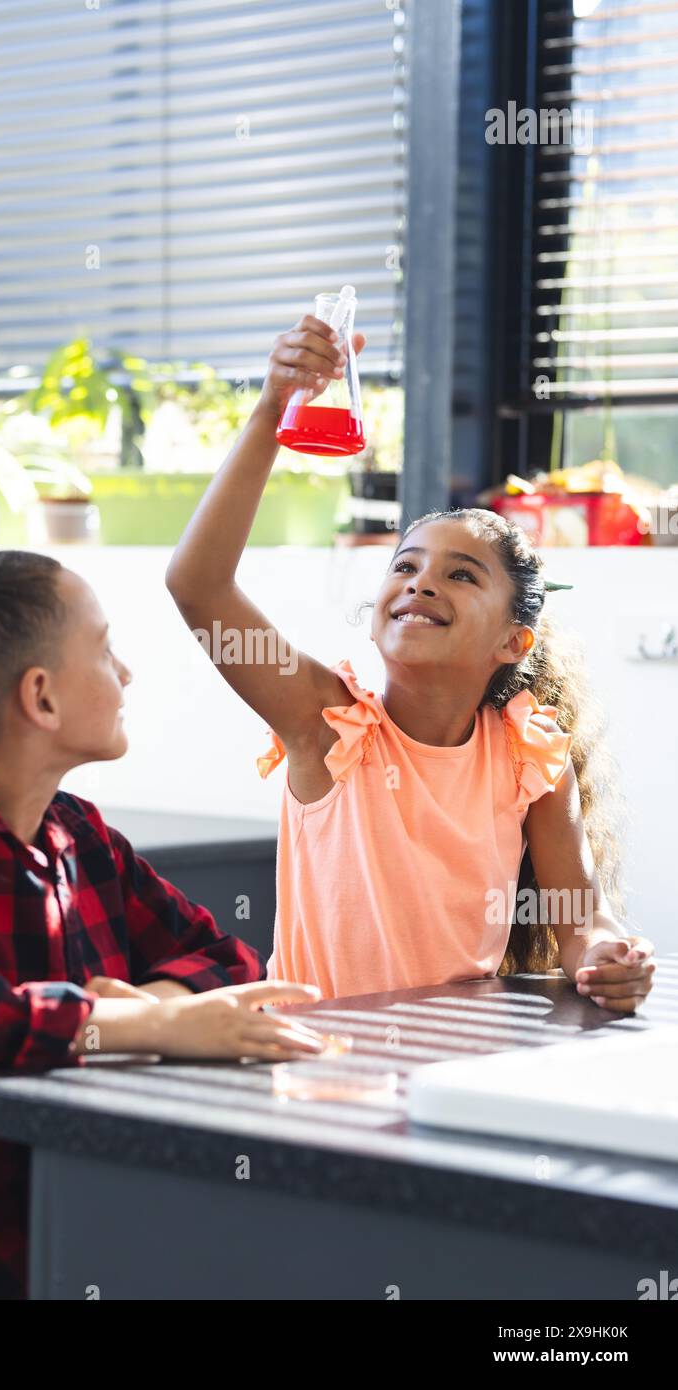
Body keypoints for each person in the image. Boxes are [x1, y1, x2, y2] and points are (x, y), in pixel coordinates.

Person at [0, 550, 325, 1299]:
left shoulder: (79, 833)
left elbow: (224, 955)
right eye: (103, 649)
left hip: (87, 1230)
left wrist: (154, 1005)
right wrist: (142, 1027)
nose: (125, 673)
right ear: (41, 697)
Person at [165, 313, 656, 1009]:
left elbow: (580, 925)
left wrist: (608, 956)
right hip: (318, 1066)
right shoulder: (327, 723)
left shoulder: (530, 756)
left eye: (461, 576)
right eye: (405, 566)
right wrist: (274, 407)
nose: (420, 583)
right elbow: (197, 585)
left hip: (459, 1057)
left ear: (512, 644)